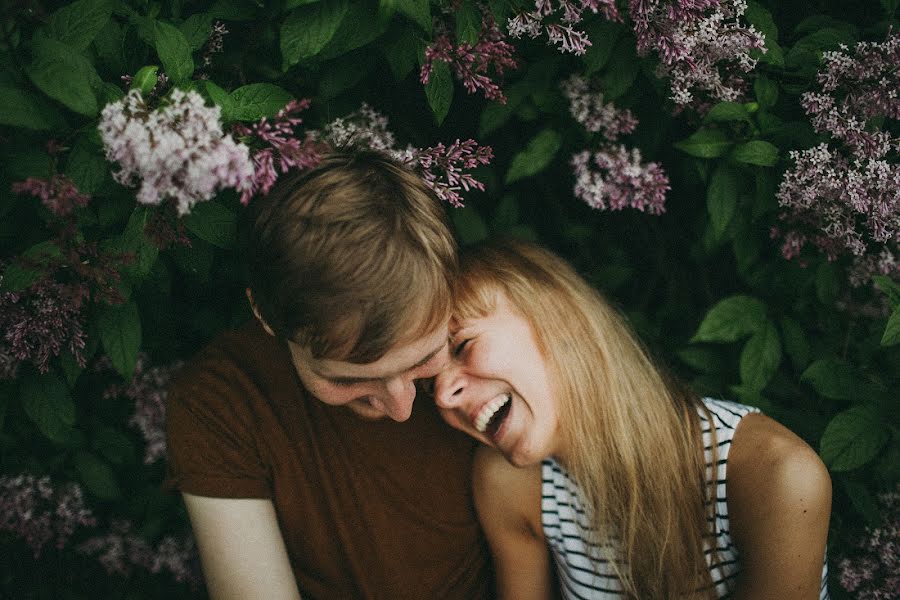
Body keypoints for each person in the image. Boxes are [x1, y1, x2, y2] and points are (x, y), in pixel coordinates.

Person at [164, 149, 492, 599]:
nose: (400, 407)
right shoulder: (222, 402)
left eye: (423, 359)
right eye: (346, 379)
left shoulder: (495, 346)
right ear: (265, 315)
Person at [434, 238, 832, 599]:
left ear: (562, 319)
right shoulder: (510, 484)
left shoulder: (775, 476)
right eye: (426, 384)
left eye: (463, 344)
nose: (441, 395)